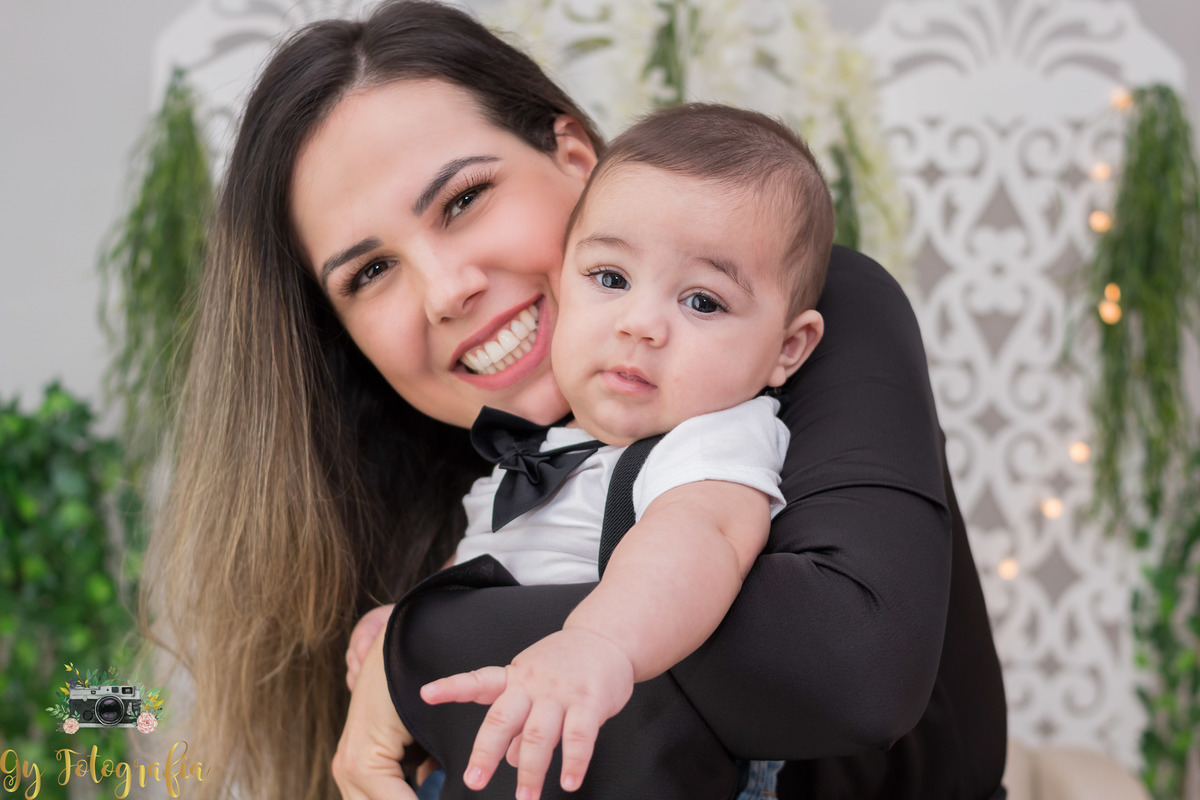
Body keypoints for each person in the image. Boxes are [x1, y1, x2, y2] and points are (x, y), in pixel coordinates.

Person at [142, 2, 1007, 800]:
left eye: (464, 199)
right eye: (370, 272)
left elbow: (851, 668)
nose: (445, 290)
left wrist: (417, 649)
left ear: (575, 158)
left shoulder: (785, 329)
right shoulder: (458, 475)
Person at [397, 102, 832, 800]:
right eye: (610, 278)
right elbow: (488, 563)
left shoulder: (710, 437)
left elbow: (700, 539)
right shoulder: (544, 450)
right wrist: (403, 628)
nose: (640, 324)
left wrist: (602, 642)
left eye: (703, 301)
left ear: (788, 347)